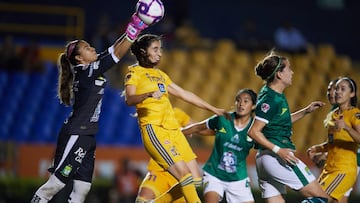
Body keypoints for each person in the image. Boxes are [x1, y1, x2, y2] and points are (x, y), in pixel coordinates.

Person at [31, 11, 153, 203]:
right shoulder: (86, 72)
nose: (92, 47)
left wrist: (135, 24)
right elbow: (116, 55)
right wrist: (135, 28)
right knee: (55, 185)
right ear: (80, 59)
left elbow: (113, 50)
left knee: (82, 188)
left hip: (87, 135)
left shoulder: (89, 69)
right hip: (76, 133)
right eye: (87, 48)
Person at [124, 33, 228, 203]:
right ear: (143, 52)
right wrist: (149, 94)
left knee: (194, 180)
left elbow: (184, 94)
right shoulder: (134, 73)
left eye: (161, 49)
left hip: (174, 131)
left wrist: (213, 108)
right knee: (185, 176)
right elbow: (129, 98)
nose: (160, 53)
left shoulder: (161, 75)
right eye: (155, 49)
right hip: (155, 129)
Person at [247, 51, 330, 203]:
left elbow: (279, 122)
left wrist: (305, 111)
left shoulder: (272, 94)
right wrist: (279, 151)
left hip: (265, 159)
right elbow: (253, 131)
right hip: (278, 158)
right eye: (288, 69)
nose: (292, 72)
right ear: (279, 74)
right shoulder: (271, 99)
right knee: (321, 198)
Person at [182, 88, 257, 203]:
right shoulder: (223, 118)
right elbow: (198, 127)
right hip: (214, 174)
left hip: (238, 179)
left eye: (246, 101)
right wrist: (177, 133)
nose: (241, 104)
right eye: (238, 100)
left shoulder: (256, 128)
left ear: (253, 106)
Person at [307, 77, 360, 203]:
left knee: (317, 200)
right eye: (337, 89)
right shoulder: (333, 115)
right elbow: (333, 142)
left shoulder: (354, 114)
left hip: (344, 170)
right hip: (329, 169)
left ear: (351, 94)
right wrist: (317, 148)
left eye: (343, 89)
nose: (337, 92)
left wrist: (346, 127)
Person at [136, 107, 203, 203]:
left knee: (194, 181)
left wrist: (216, 126)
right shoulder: (150, 115)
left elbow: (197, 128)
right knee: (142, 200)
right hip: (159, 170)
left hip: (180, 169)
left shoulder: (177, 113)